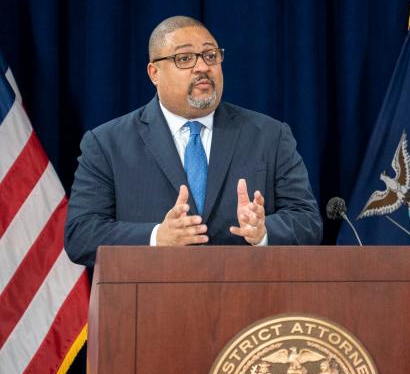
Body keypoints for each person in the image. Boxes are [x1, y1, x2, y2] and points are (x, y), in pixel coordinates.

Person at [64, 15, 323, 267]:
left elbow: (307, 221)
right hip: (149, 302)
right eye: (184, 58)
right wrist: (157, 237)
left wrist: (264, 231)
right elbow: (81, 235)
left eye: (210, 56)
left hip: (248, 301)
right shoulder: (107, 143)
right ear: (155, 73)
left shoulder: (270, 135)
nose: (202, 67)